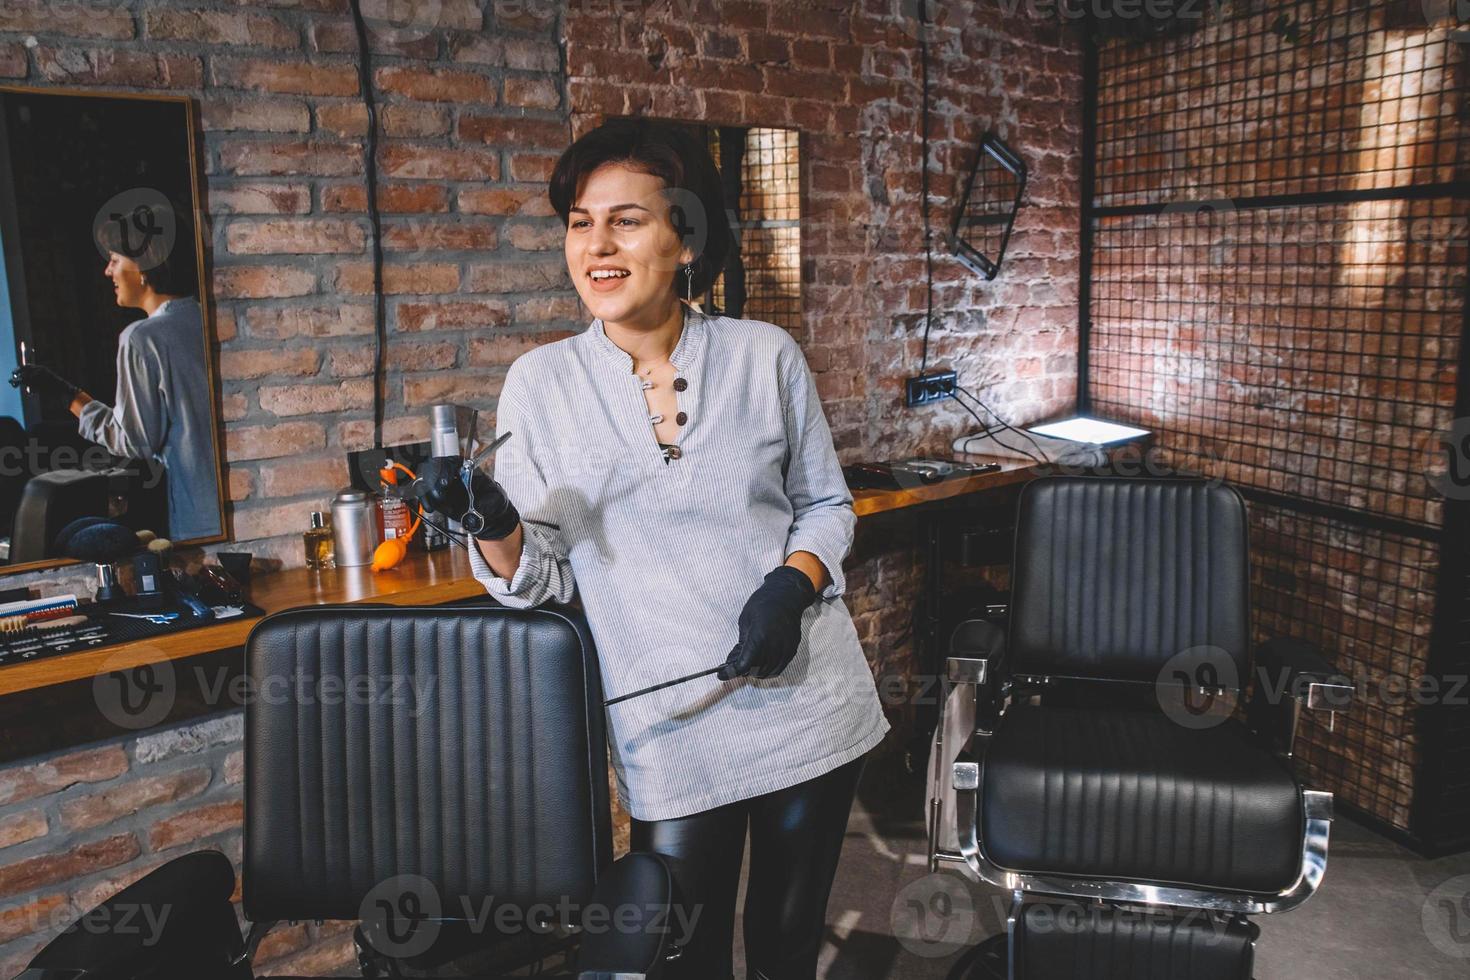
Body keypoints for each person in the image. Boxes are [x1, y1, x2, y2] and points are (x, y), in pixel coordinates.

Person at [423, 119, 890, 979]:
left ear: (685, 240)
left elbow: (826, 503)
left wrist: (792, 584)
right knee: (682, 956)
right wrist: (493, 521)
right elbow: (541, 579)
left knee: (787, 949)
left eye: (626, 220)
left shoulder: (765, 356)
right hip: (666, 726)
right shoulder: (542, 384)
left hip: (806, 700)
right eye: (579, 221)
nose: (596, 244)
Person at [10, 199, 221, 542]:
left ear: (144, 265)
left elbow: (135, 441)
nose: (108, 271)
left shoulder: (142, 338)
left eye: (115, 260)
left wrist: (69, 396)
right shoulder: (208, 320)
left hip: (199, 521)